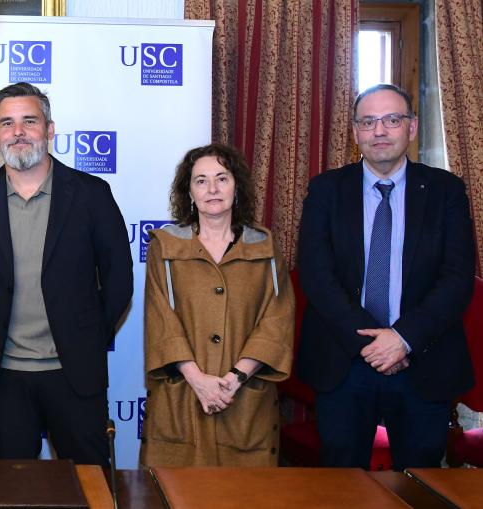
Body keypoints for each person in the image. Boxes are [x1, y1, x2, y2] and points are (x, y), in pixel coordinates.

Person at [0, 82, 133, 467]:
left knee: (89, 485)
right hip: (1, 377)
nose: (18, 132)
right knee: (12, 489)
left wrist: (87, 336)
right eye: (7, 123)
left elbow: (119, 280)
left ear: (49, 129)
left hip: (74, 373)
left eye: (29, 121)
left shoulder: (92, 194)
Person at [297, 83, 475, 469]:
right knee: (342, 487)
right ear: (355, 132)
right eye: (368, 121)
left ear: (412, 127)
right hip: (344, 362)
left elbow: (457, 276)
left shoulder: (446, 190)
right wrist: (373, 344)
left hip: (422, 360)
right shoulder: (325, 190)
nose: (379, 130)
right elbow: (316, 275)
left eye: (392, 120)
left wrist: (402, 339)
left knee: (420, 484)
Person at [139, 143, 294, 467]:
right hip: (183, 397)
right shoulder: (164, 248)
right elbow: (161, 321)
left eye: (222, 179)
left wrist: (233, 380)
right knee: (177, 490)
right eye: (201, 181)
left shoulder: (265, 247)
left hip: (243, 399)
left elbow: (277, 321)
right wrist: (198, 380)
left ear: (237, 187)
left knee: (245, 492)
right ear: (189, 192)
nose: (212, 189)